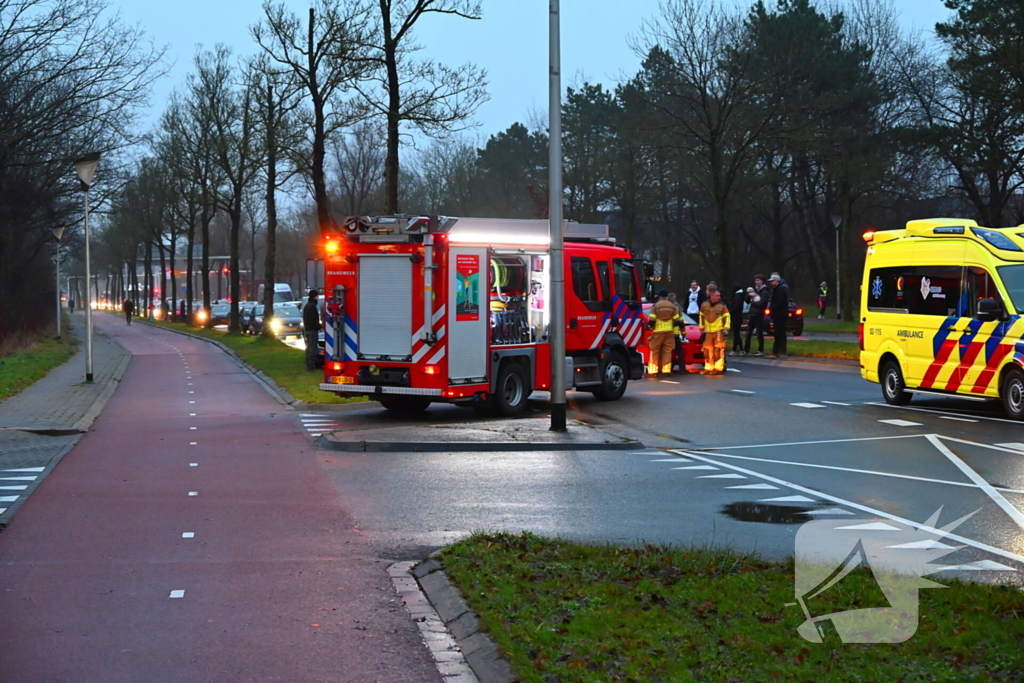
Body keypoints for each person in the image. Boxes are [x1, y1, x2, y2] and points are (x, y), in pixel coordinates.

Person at [646, 289, 681, 378]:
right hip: (669, 332)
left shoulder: (656, 306)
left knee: (655, 351)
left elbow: (652, 320)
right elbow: (677, 321)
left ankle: (653, 371)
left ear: (660, 296)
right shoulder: (672, 306)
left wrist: (651, 328)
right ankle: (666, 371)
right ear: (666, 296)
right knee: (667, 351)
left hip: (658, 332)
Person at [699, 284, 730, 375]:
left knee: (718, 350)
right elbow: (701, 316)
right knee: (707, 350)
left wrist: (726, 328)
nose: (719, 297)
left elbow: (727, 317)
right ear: (712, 295)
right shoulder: (704, 305)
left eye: (719, 296)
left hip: (718, 331)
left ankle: (718, 368)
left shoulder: (722, 306)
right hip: (708, 331)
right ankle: (708, 367)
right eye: (717, 296)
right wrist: (701, 327)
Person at [745, 274, 768, 356]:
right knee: (748, 332)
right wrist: (749, 295)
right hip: (752, 313)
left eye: (758, 280)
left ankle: (760, 350)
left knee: (759, 333)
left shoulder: (765, 292)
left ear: (762, 281)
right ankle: (746, 350)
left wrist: (754, 300)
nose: (756, 282)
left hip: (759, 314)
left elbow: (761, 303)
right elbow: (747, 301)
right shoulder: (753, 290)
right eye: (756, 280)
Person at [768, 273, 790, 358]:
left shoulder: (780, 289)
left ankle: (781, 351)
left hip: (780, 314)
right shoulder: (775, 289)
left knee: (780, 333)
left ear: (777, 281)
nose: (771, 282)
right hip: (777, 314)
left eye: (772, 281)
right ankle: (776, 350)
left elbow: (781, 301)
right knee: (777, 333)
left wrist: (772, 307)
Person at [302, 289, 321, 371]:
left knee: (308, 347)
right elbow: (313, 320)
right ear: (315, 296)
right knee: (313, 348)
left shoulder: (307, 306)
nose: (318, 297)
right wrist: (319, 326)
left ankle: (308, 363)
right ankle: (311, 366)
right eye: (317, 296)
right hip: (312, 330)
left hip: (307, 329)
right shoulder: (312, 307)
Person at [728, 284, 746, 354]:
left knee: (736, 334)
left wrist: (730, 311)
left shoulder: (737, 297)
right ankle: (739, 349)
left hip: (736, 317)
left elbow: (736, 307)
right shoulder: (739, 296)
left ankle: (737, 349)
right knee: (736, 334)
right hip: (738, 317)